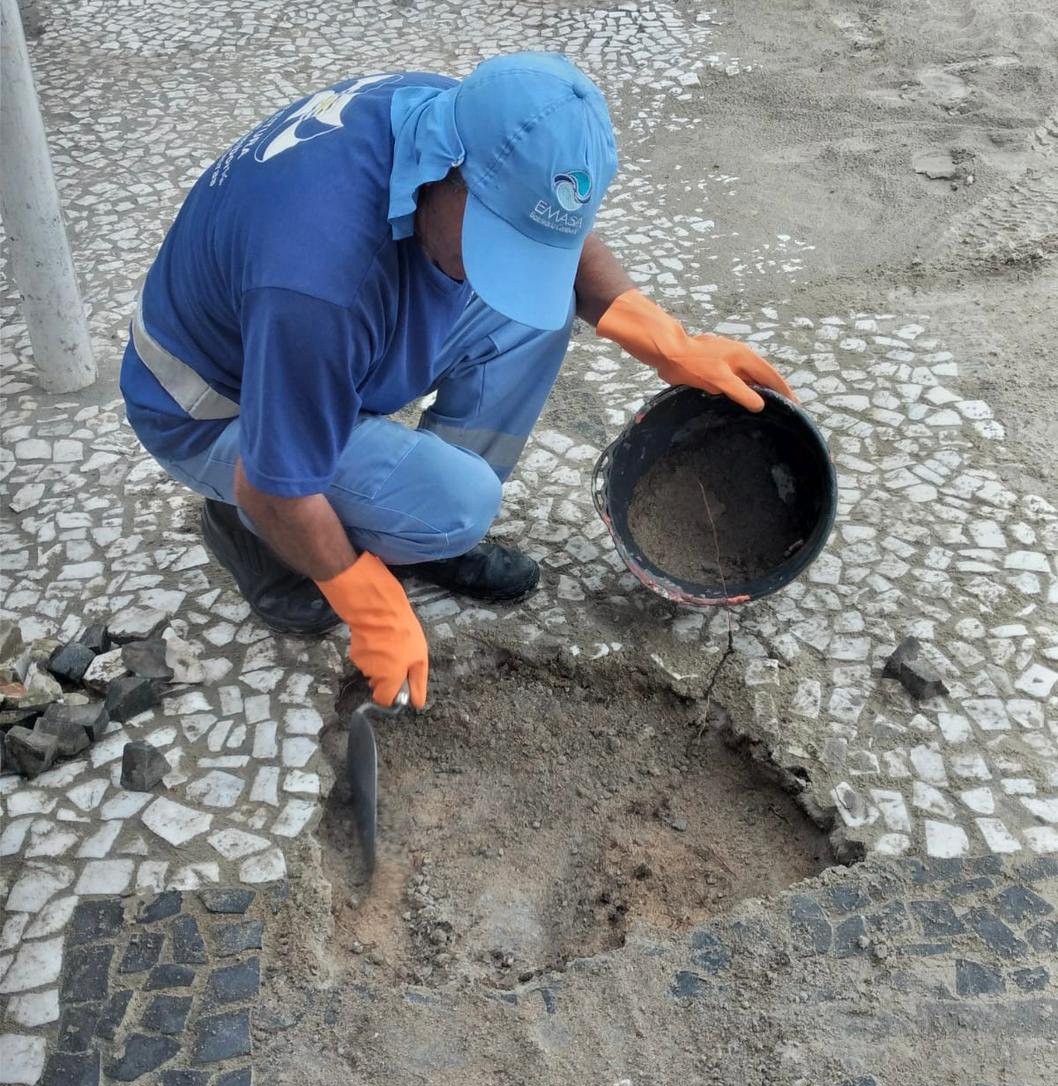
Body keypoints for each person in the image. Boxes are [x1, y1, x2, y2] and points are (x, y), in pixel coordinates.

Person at [121, 52, 792, 710]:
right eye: (495, 240)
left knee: (539, 311)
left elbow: (550, 230)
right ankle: (249, 532)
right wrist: (363, 597)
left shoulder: (468, 120)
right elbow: (272, 489)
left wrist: (658, 334)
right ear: (447, 174)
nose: (500, 265)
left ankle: (405, 527)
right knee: (456, 506)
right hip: (212, 406)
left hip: (305, 344)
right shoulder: (321, 283)